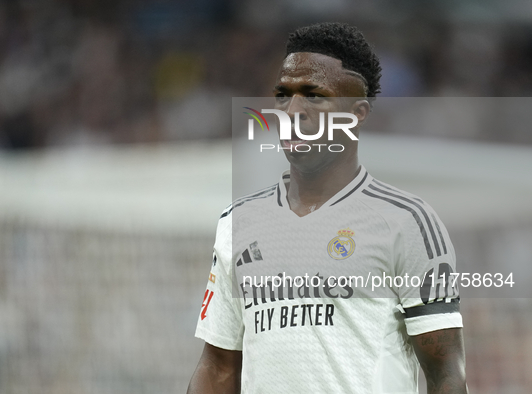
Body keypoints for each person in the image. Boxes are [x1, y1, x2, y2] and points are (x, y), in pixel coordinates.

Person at [187, 22, 467, 393]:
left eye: (314, 96)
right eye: (283, 95)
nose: (293, 109)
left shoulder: (407, 223)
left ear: (357, 113)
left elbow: (445, 373)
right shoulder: (238, 223)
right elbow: (218, 366)